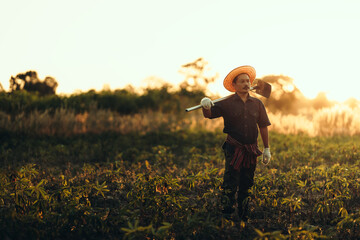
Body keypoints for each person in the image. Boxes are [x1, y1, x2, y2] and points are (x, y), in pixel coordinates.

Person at [200, 65, 271, 220]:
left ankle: (244, 215)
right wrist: (205, 105)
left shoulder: (257, 104)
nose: (246, 84)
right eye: (242, 81)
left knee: (247, 183)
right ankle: (226, 215)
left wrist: (267, 148)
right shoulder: (226, 103)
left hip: (252, 149)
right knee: (230, 183)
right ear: (234, 85)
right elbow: (209, 114)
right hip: (233, 148)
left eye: (247, 81)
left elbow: (263, 126)